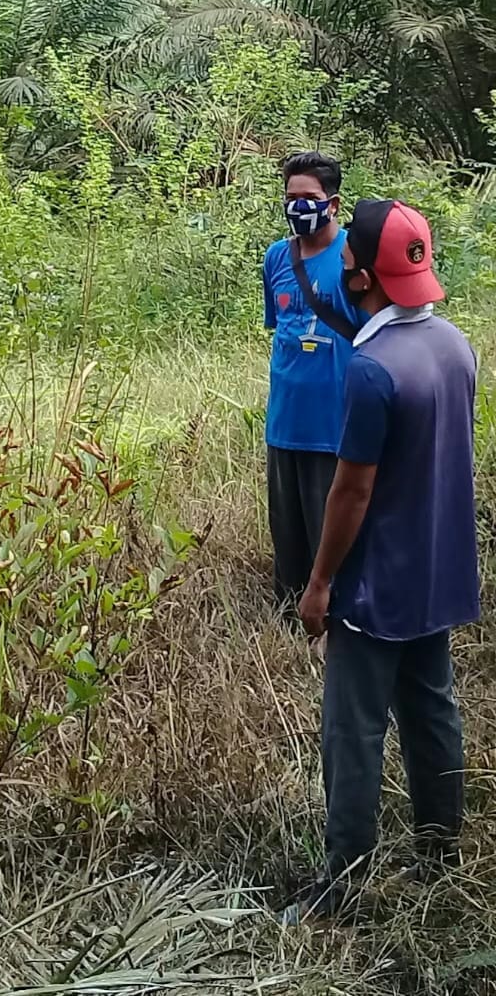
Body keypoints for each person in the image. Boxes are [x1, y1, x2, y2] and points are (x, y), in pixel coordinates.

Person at [288, 199, 478, 923]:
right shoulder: (454, 345)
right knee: (434, 712)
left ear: (363, 274)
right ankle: (439, 852)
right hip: (440, 570)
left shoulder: (371, 369)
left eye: (345, 259)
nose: (336, 265)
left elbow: (353, 488)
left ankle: (342, 885)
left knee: (354, 730)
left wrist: (320, 581)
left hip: (377, 582)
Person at [262, 152, 360, 611]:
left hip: (333, 422)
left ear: (333, 203)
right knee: (287, 529)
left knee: (331, 531)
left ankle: (333, 617)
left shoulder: (351, 259)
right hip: (284, 421)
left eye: (309, 198)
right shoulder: (276, 258)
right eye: (291, 198)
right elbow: (279, 325)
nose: (298, 207)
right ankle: (287, 615)